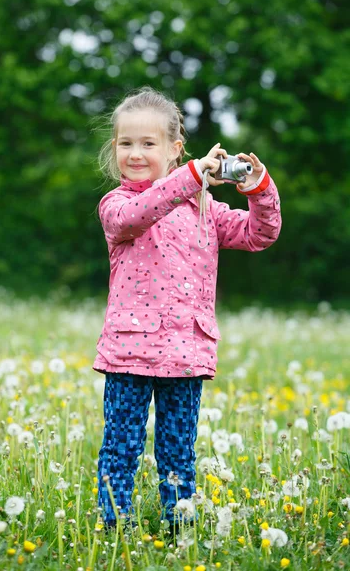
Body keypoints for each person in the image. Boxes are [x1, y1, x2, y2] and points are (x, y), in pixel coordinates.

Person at [92, 86, 281, 529]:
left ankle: (180, 525)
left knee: (178, 449)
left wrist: (257, 189)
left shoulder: (206, 210)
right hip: (129, 352)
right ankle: (116, 524)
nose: (135, 153)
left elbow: (259, 234)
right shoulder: (117, 203)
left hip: (186, 352)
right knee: (121, 444)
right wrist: (193, 176)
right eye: (126, 143)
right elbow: (139, 213)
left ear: (175, 149)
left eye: (148, 143)